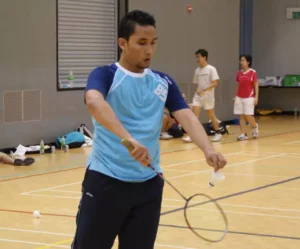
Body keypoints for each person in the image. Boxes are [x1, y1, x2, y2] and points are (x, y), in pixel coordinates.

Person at [72, 10, 227, 249]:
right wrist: (129, 139)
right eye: (142, 43)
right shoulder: (105, 75)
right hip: (106, 183)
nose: (149, 50)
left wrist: (208, 149)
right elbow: (94, 102)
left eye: (153, 43)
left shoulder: (162, 81)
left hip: (149, 186)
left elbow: (185, 115)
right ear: (123, 43)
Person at [182, 49, 222, 143]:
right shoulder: (197, 71)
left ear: (204, 57)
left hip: (208, 96)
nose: (197, 59)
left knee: (211, 116)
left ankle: (218, 133)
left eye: (198, 57)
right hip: (198, 96)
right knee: (194, 116)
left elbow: (215, 83)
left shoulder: (211, 69)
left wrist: (204, 90)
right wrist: (198, 90)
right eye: (196, 57)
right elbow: (196, 83)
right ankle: (192, 136)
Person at [234, 55, 259, 141]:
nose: (241, 62)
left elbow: (256, 85)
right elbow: (238, 85)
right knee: (241, 116)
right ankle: (243, 134)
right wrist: (236, 95)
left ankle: (254, 126)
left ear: (248, 62)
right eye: (240, 60)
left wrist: (256, 97)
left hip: (249, 97)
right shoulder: (239, 73)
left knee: (248, 115)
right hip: (239, 97)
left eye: (243, 60)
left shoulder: (253, 72)